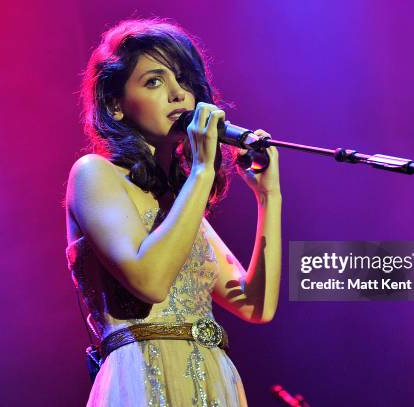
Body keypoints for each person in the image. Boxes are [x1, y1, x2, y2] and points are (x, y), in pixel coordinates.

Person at [65, 18, 282, 406]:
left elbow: (255, 305)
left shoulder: (180, 203)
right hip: (143, 378)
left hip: (213, 382)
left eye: (184, 81)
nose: (178, 94)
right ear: (115, 104)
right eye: (154, 81)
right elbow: (149, 280)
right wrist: (201, 171)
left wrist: (269, 196)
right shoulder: (94, 174)